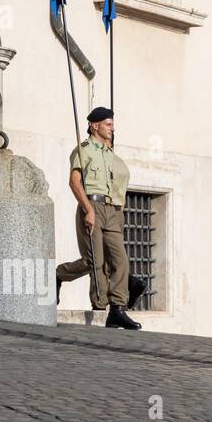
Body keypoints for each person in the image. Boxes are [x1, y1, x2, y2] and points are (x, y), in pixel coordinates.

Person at [55, 106, 145, 329]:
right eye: (108, 124)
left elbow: (118, 181)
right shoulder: (83, 150)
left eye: (112, 125)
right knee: (95, 261)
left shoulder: (109, 153)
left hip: (111, 209)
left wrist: (119, 206)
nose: (112, 129)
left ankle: (118, 308)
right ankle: (64, 279)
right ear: (94, 126)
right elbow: (74, 182)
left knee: (120, 259)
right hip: (92, 204)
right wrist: (88, 209)